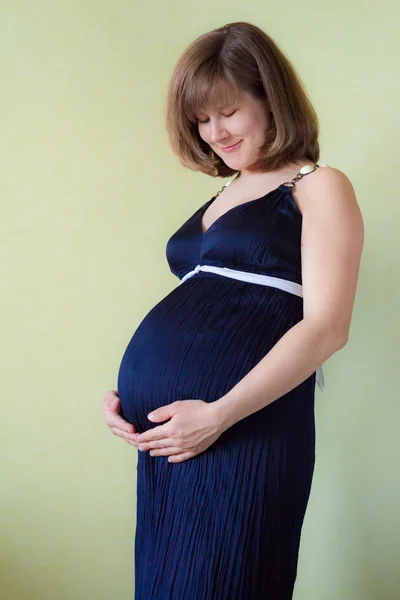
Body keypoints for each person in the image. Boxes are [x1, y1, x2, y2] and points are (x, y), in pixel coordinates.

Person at [102, 21, 364, 599]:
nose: (214, 131)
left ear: (270, 98)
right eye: (200, 119)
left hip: (242, 430)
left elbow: (326, 327)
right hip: (175, 445)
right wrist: (129, 394)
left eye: (227, 111)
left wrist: (218, 413)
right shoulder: (224, 193)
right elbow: (206, 311)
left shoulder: (317, 186)